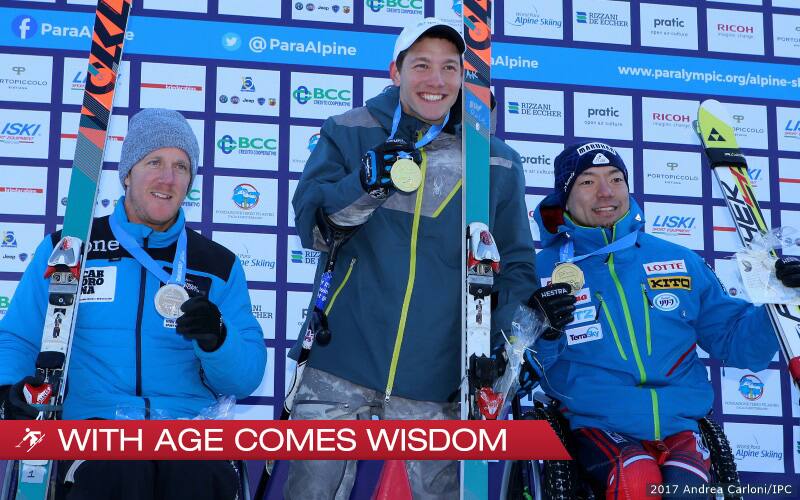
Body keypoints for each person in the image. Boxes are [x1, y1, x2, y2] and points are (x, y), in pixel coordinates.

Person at [288, 17, 536, 499]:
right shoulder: (349, 130)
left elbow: (515, 266)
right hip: (338, 369)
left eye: (450, 67)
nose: (436, 80)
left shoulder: (495, 160)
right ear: (395, 71)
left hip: (437, 384)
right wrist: (363, 182)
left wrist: (507, 343)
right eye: (421, 65)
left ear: (466, 77)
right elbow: (315, 227)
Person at [0, 108, 267, 500]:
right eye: (154, 161)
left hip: (187, 433)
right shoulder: (71, 247)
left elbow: (244, 380)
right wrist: (10, 391)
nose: (167, 178)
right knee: (122, 471)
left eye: (181, 166)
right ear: (128, 173)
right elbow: (21, 336)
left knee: (194, 478)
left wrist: (218, 340)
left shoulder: (216, 265)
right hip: (97, 430)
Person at [525, 141, 800, 499]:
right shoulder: (544, 271)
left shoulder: (680, 260)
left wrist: (776, 303)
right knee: (636, 478)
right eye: (588, 182)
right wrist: (545, 331)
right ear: (565, 196)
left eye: (616, 178)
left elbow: (738, 346)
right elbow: (524, 364)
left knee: (685, 489)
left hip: (679, 425)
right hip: (597, 424)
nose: (606, 192)